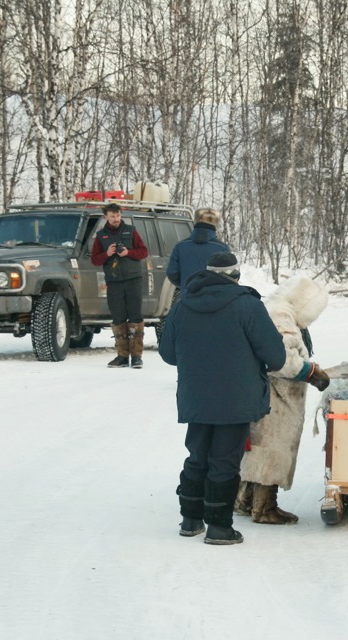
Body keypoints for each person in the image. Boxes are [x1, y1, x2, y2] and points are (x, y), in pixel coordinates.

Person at [159, 252, 286, 545]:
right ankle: (219, 527)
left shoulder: (183, 305)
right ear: (235, 275)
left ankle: (190, 521)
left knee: (197, 457)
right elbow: (276, 357)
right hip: (236, 398)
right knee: (225, 461)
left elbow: (168, 354)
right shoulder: (248, 306)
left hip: (196, 397)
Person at [234, 276, 330, 524]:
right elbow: (282, 358)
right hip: (277, 395)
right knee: (273, 446)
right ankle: (264, 508)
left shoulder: (274, 307)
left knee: (258, 447)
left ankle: (244, 500)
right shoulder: (282, 316)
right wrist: (309, 372)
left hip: (262, 390)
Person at [91, 202, 150, 368]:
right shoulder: (101, 236)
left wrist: (128, 253)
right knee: (118, 317)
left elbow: (144, 252)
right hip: (114, 281)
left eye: (117, 216)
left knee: (135, 316)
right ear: (106, 217)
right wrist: (107, 253)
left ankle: (137, 356)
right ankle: (122, 356)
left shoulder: (131, 231)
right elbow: (95, 260)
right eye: (112, 216)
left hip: (133, 279)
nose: (116, 219)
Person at [166, 208, 229, 288]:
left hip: (188, 296)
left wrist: (185, 285)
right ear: (216, 223)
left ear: (196, 220)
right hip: (214, 297)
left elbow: (172, 273)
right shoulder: (222, 248)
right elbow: (230, 275)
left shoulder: (180, 246)